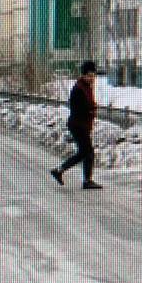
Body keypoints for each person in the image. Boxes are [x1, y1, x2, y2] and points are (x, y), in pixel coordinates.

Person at [51, 60, 103, 190]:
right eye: (89, 75)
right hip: (78, 124)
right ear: (84, 75)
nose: (92, 78)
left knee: (87, 152)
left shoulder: (86, 86)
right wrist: (90, 109)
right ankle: (60, 170)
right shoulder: (79, 89)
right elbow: (78, 108)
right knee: (85, 152)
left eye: (93, 75)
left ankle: (86, 180)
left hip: (82, 124)